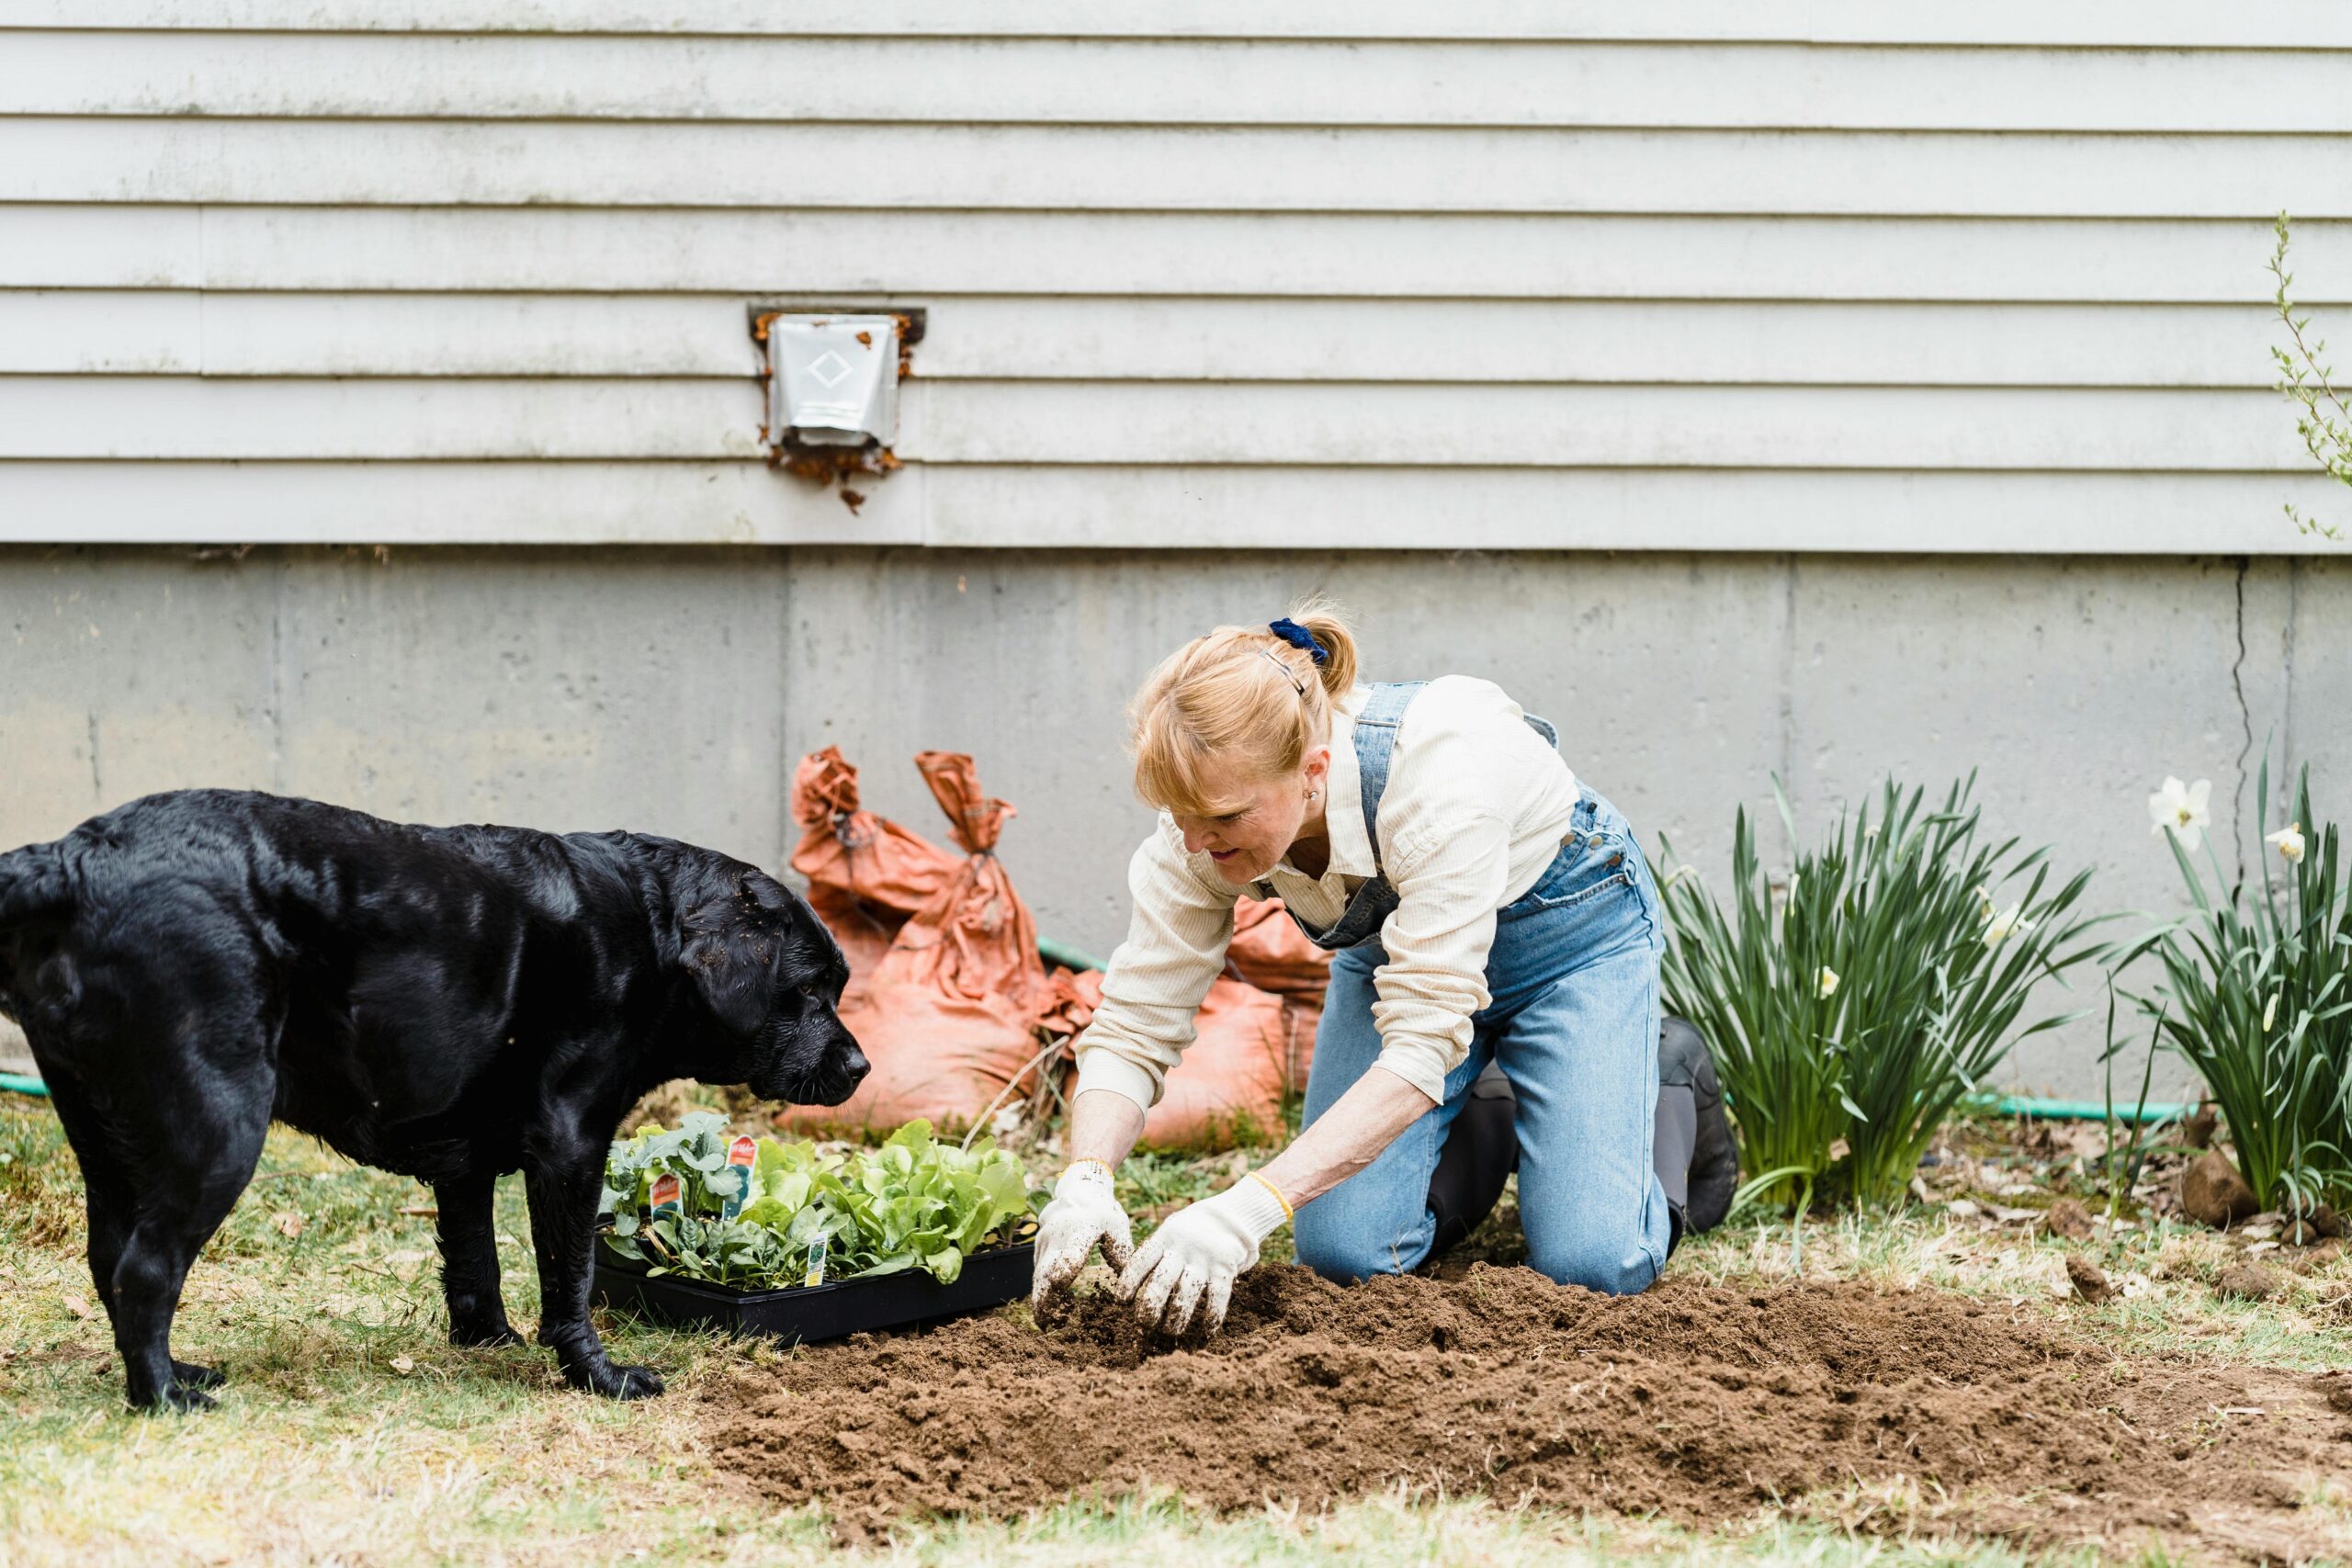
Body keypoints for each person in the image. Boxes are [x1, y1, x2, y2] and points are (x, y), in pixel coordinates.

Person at [1030, 602, 1736, 1335]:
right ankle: (1490, 1105)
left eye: (1226, 818)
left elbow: (1422, 1043)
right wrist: (1086, 1176)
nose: (1197, 841)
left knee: (1593, 1265)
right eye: (1182, 816)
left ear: (1314, 771)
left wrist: (1245, 1207)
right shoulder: (1204, 817)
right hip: (1406, 967)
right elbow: (1137, 1017)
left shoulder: (1436, 780)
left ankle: (1668, 1074)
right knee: (1345, 1255)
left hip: (1569, 943)